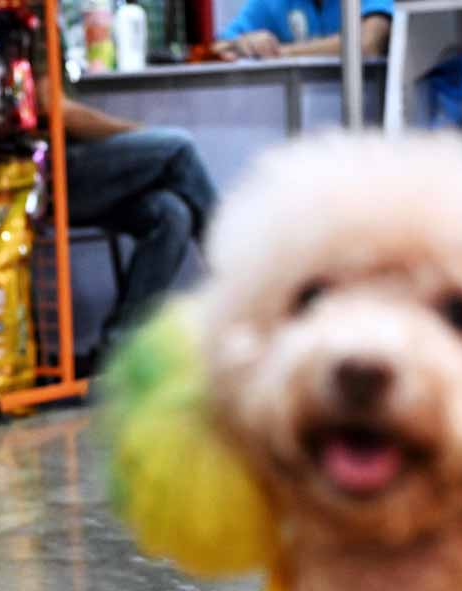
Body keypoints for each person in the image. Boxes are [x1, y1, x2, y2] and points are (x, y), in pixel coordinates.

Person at [57, 101, 217, 343]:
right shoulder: (39, 61)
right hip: (51, 173)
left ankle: (121, 346)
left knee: (171, 213)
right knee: (179, 147)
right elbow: (60, 111)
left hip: (75, 174)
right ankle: (241, 282)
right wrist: (135, 133)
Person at [213, 0, 393, 60]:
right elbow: (215, 48)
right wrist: (243, 43)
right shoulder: (272, 3)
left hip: (375, 126)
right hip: (302, 128)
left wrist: (280, 53)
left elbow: (367, 44)